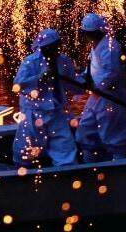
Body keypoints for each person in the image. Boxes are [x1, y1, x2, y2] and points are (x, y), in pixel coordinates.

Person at [12, 28, 80, 167]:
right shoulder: (30, 62)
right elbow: (18, 85)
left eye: (55, 46)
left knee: (64, 145)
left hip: (55, 110)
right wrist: (39, 79)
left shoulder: (63, 61)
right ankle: (22, 172)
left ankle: (66, 173)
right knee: (27, 147)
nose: (53, 49)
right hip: (34, 111)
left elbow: (72, 83)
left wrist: (84, 83)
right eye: (49, 47)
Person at [75, 13, 126, 159]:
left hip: (111, 97)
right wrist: (79, 80)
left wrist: (96, 86)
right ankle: (90, 165)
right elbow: (92, 71)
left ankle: (118, 168)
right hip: (97, 96)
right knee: (85, 130)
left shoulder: (110, 47)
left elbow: (111, 72)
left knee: (113, 136)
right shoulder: (96, 46)